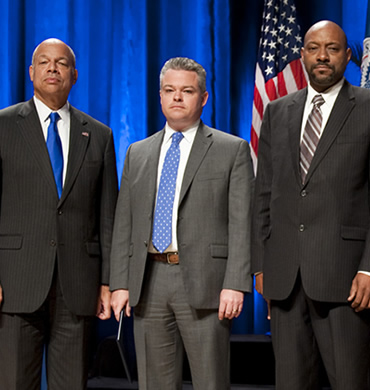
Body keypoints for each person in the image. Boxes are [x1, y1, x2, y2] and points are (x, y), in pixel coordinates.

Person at [252, 20, 370, 389]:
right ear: (302, 54)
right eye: (314, 48)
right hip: (286, 278)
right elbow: (264, 195)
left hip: (347, 279)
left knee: (351, 381)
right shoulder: (277, 110)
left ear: (347, 56)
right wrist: (260, 263)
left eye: (332, 48)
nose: (322, 56)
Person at [109, 57, 253, 390]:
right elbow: (124, 225)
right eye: (169, 90)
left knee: (210, 382)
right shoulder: (137, 152)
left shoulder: (231, 150)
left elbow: (242, 222)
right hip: (149, 283)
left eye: (187, 90)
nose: (177, 97)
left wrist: (235, 283)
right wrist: (120, 283)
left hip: (208, 284)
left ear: (203, 98)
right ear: (160, 96)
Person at [0, 38, 118, 390]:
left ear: (75, 75)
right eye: (45, 62)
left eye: (62, 63)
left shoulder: (99, 135)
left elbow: (108, 215)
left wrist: (107, 281)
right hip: (15, 284)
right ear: (31, 72)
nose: (53, 68)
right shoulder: (4, 126)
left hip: (77, 285)